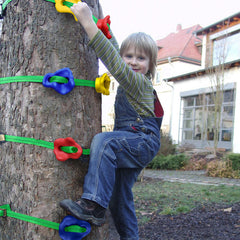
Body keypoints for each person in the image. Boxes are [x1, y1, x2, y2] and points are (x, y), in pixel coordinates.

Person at [60, 2, 163, 239]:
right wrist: (107, 31)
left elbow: (116, 63)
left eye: (141, 58)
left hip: (141, 140)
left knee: (104, 142)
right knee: (119, 197)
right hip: (133, 142)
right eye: (130, 56)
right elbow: (118, 56)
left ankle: (93, 206)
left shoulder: (139, 82)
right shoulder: (131, 74)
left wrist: (87, 21)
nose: (133, 62)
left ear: (150, 66)